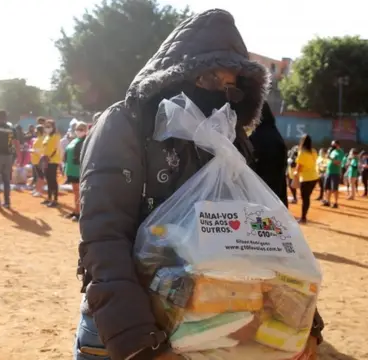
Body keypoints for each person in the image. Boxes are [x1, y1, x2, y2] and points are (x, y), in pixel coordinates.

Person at [74, 10, 322, 360]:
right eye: (208, 77)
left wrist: (304, 321)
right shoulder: (125, 124)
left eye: (231, 84)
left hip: (207, 330)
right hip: (122, 334)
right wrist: (139, 344)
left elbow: (262, 240)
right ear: (174, 75)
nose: (221, 90)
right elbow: (104, 237)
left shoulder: (229, 140)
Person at [249, 102, 288, 206]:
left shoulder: (257, 137)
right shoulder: (274, 134)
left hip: (260, 202)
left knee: (257, 222)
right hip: (275, 199)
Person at [63, 121, 87, 221]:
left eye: (81, 129)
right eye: (77, 129)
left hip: (79, 170)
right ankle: (76, 210)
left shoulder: (86, 141)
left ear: (86, 130)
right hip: (71, 169)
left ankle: (79, 213)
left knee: (79, 192)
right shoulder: (74, 140)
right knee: (75, 192)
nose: (79, 131)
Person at [294, 135, 319, 223]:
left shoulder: (302, 152)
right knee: (306, 197)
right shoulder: (314, 151)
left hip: (305, 178)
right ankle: (304, 216)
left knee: (305, 198)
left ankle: (303, 217)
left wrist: (295, 172)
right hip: (314, 177)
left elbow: (299, 166)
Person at [42, 119, 60, 208]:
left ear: (53, 127)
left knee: (52, 179)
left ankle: (55, 199)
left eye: (49, 126)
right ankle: (49, 198)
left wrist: (49, 157)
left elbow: (56, 149)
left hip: (53, 160)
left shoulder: (56, 136)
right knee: (48, 179)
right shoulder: (46, 136)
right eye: (46, 126)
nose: (47, 128)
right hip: (46, 160)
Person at [323, 140, 343, 208]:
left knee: (334, 188)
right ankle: (327, 201)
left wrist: (330, 158)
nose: (332, 146)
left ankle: (335, 203)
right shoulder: (332, 151)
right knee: (327, 188)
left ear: (337, 145)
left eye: (333, 144)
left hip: (335, 172)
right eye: (332, 144)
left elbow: (338, 162)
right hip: (328, 172)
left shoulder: (340, 152)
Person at [30, 124, 46, 196]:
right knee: (38, 176)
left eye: (37, 131)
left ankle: (40, 191)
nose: (35, 132)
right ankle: (37, 189)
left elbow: (41, 151)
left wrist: (33, 151)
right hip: (35, 160)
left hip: (39, 161)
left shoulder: (41, 139)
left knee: (41, 177)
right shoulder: (38, 139)